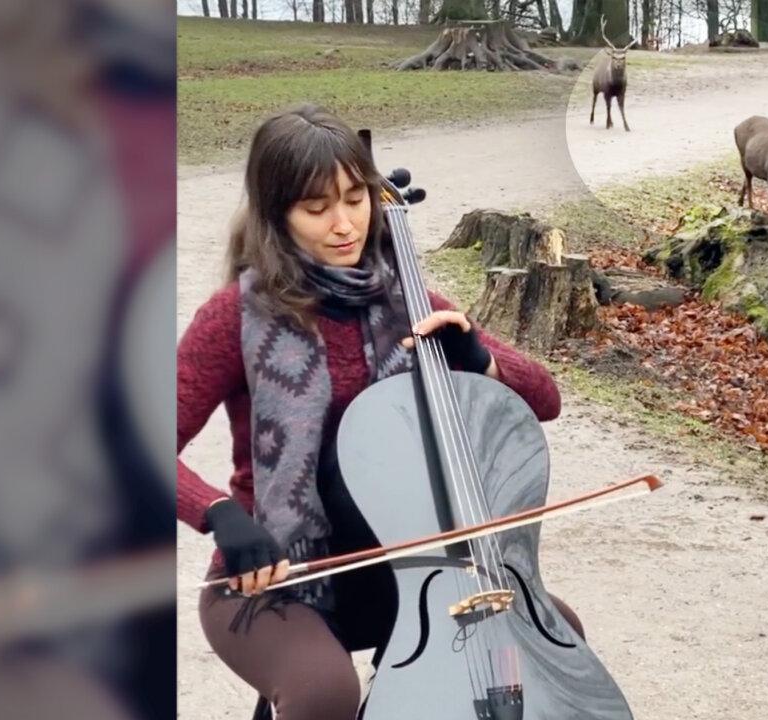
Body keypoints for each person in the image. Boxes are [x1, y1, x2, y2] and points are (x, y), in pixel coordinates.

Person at [176, 104, 585, 720]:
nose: (344, 224)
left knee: (553, 632)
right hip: (280, 574)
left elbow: (545, 400)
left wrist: (480, 359)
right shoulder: (235, 317)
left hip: (416, 570)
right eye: (316, 209)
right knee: (322, 692)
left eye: (355, 199)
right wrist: (220, 515)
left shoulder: (410, 300)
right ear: (277, 217)